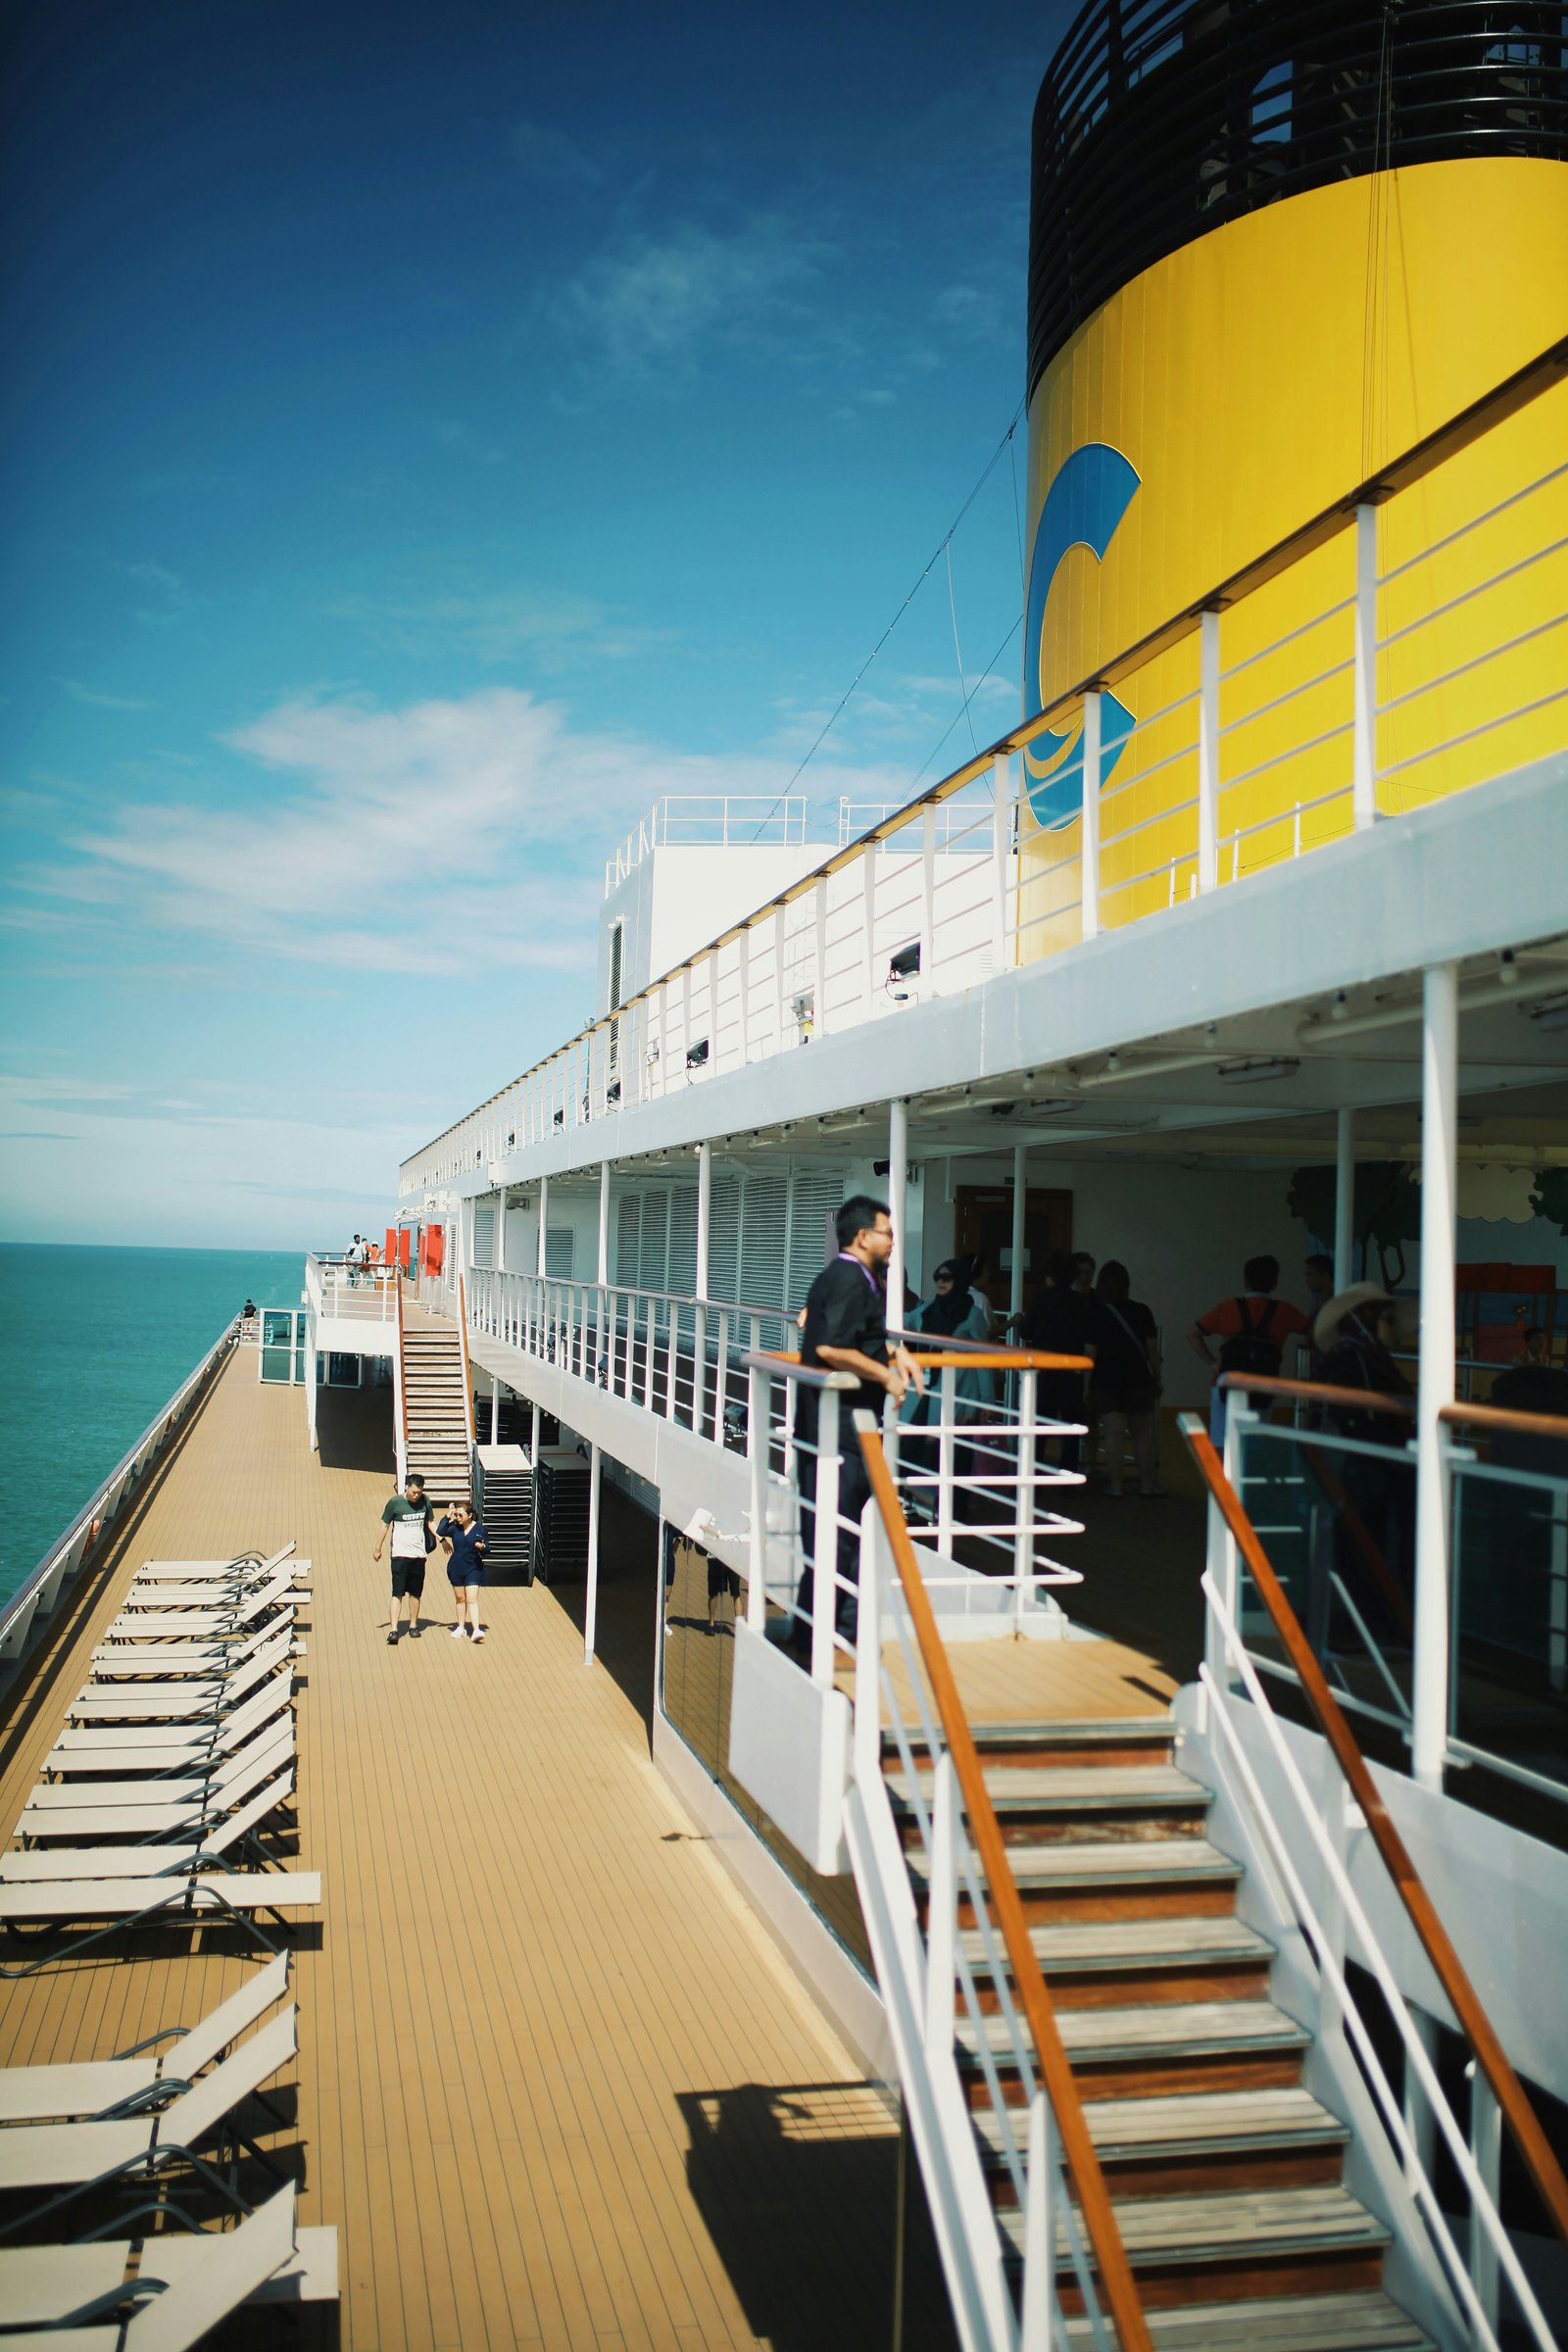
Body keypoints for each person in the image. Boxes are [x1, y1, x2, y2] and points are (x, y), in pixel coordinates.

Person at [794, 1197, 922, 1643]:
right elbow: (832, 1347)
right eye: (888, 1233)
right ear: (863, 1236)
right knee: (836, 1539)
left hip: (842, 1431)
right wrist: (887, 1376)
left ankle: (822, 1634)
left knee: (836, 1537)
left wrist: (895, 1351)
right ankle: (827, 1639)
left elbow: (861, 1337)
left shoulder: (854, 1276)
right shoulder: (850, 1278)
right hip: (837, 1433)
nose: (892, 1242)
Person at [1188, 1254, 1309, 1445]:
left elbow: (1193, 1334)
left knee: (1221, 1442)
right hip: (1262, 1385)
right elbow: (1314, 1331)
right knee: (1253, 1444)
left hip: (1226, 1383)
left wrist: (1213, 1362)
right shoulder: (1285, 1311)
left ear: (1245, 1280)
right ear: (1274, 1282)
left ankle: (1222, 1475)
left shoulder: (1228, 1307)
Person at [1088, 1262, 1163, 1497]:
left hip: (1106, 1381)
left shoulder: (1096, 1313)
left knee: (1113, 1435)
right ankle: (1147, 1486)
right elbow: (1152, 1350)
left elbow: (1091, 1353)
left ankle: (1116, 1486)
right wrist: (1157, 1379)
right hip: (1139, 1380)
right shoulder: (1142, 1311)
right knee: (1142, 1436)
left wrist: (1085, 1385)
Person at [1017, 1250, 1095, 1471]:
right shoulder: (1081, 1302)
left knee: (1039, 1427)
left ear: (1049, 1274)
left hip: (1044, 1371)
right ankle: (1067, 1479)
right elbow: (1088, 1338)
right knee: (1070, 1428)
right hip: (1072, 1371)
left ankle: (1036, 1477)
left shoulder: (1042, 1298)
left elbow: (1026, 1331)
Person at [374, 1471, 433, 1643]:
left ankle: (413, 1625)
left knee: (415, 1593)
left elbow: (430, 1522)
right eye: (414, 1492)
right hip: (400, 1555)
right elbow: (384, 1525)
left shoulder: (425, 1501)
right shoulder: (395, 1503)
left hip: (418, 1555)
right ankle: (394, 1630)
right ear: (407, 1487)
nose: (416, 1495)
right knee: (397, 1592)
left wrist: (441, 1539)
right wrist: (378, 1548)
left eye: (419, 1492)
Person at [437, 1500, 489, 1642]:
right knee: (460, 1599)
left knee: (472, 1599)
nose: (458, 1518)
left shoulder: (479, 1529)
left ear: (470, 1515)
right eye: (456, 1515)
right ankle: (461, 1627)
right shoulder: (454, 1527)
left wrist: (482, 1546)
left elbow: (487, 1548)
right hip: (456, 1566)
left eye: (460, 1515)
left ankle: (477, 1629)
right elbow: (440, 1530)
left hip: (473, 1567)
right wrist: (448, 1515)